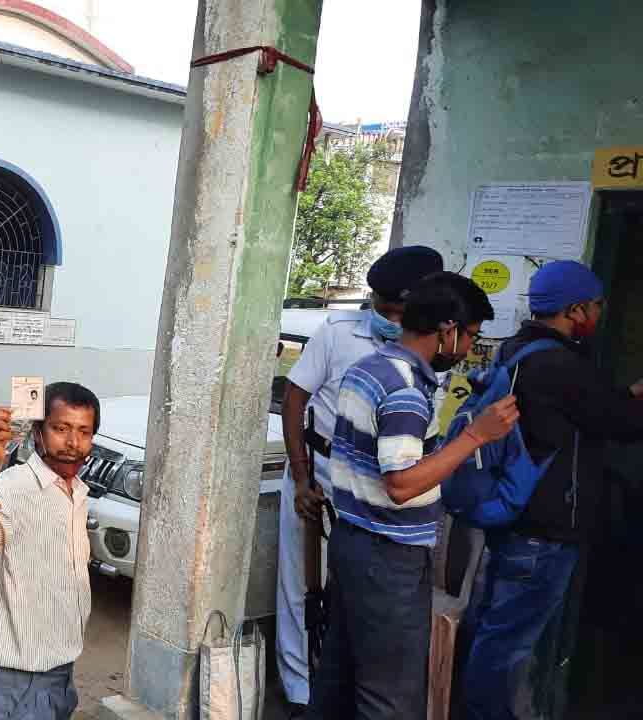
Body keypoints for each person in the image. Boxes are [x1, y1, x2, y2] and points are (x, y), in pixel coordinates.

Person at [305, 272, 518, 720]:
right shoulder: (406, 391)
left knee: (340, 679)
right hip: (388, 557)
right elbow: (401, 484)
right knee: (391, 697)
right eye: (469, 337)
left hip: (352, 543)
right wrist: (476, 436)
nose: (466, 351)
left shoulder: (370, 367)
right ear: (447, 330)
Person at [461, 261, 643, 720]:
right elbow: (618, 422)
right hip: (546, 530)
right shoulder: (560, 364)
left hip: (515, 515)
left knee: (492, 631)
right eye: (597, 306)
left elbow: (587, 411)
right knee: (507, 644)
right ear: (576, 309)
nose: (599, 315)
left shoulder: (516, 351)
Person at [275, 246, 444, 712]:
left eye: (398, 311)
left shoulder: (435, 353)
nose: (387, 318)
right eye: (381, 307)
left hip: (379, 495)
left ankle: (339, 696)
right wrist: (303, 476)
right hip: (321, 474)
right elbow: (295, 399)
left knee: (349, 603)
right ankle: (299, 695)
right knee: (301, 589)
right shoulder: (339, 332)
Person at [0, 382, 98, 720]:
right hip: (3, 683)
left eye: (83, 432)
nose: (72, 443)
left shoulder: (77, 496)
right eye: (61, 429)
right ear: (38, 432)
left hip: (58, 676)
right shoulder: (10, 488)